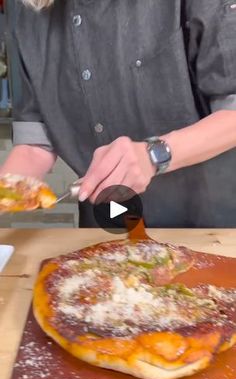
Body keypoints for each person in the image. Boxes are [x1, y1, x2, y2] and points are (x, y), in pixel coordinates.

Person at [1, 0, 236, 227]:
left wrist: (154, 155)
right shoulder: (28, 11)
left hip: (208, 225)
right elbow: (34, 145)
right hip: (109, 229)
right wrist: (6, 191)